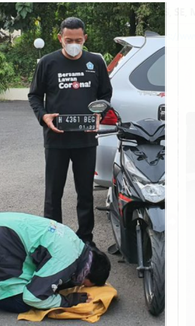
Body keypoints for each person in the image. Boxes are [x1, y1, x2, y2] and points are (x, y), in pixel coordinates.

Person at [28, 17, 113, 246]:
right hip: (56, 139)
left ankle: (85, 239)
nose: (73, 44)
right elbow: (34, 95)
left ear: (85, 38)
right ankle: (54, 241)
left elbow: (105, 94)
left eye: (78, 39)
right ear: (60, 39)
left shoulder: (95, 62)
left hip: (86, 140)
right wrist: (43, 116)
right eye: (68, 40)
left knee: (85, 194)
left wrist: (100, 114)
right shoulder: (47, 63)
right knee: (53, 195)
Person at [0, 212, 111, 313]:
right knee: (19, 300)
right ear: (88, 274)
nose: (82, 286)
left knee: (27, 281)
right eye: (87, 285)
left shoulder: (76, 245)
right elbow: (33, 296)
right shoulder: (67, 261)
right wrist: (64, 301)